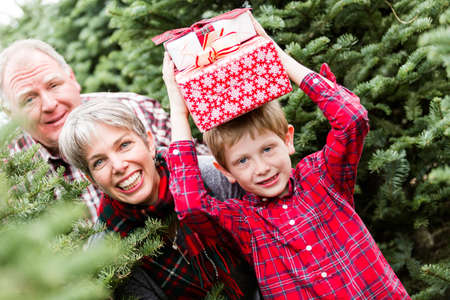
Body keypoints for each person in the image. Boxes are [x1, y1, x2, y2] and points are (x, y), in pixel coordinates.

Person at [164, 19, 411, 299]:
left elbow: (352, 120)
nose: (262, 168)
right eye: (242, 161)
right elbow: (191, 206)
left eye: (268, 149)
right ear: (226, 171)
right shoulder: (244, 221)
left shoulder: (322, 177)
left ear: (288, 139)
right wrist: (178, 107)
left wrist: (275, 54)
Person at [58, 99, 259, 300]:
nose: (118, 166)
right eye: (99, 162)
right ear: (91, 179)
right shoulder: (108, 251)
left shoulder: (211, 177)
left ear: (149, 143)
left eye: (124, 145)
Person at [0, 39, 208, 221]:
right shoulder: (9, 172)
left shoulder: (135, 110)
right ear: (10, 112)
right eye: (29, 99)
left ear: (72, 78)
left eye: (54, 85)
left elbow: (211, 174)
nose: (49, 104)